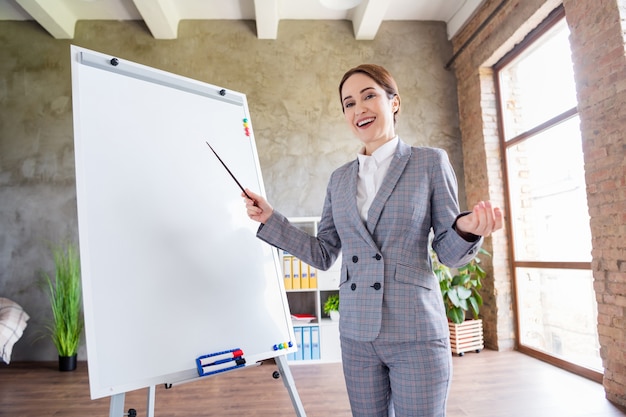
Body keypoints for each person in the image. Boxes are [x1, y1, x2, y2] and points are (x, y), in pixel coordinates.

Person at [242, 64, 503, 417]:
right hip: (357, 335)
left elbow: (447, 252)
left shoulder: (429, 162)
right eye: (348, 103)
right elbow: (323, 252)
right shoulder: (339, 179)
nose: (358, 109)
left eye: (369, 96)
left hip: (416, 332)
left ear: (394, 102)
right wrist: (272, 219)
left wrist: (468, 227)